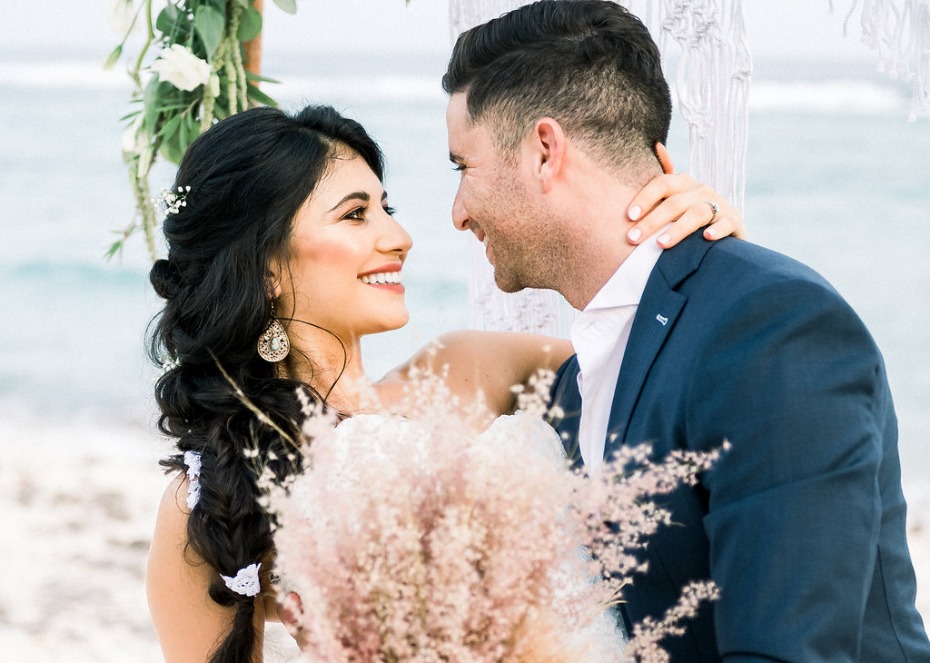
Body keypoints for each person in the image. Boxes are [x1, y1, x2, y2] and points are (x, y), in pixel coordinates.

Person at [144, 103, 744, 663]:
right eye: (356, 214)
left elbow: (669, 369)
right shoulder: (217, 495)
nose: (399, 237)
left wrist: (705, 250)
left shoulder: (467, 368)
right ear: (267, 266)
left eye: (388, 208)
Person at [442, 1, 930, 661]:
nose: (458, 212)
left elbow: (785, 651)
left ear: (543, 151)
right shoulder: (573, 383)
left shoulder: (774, 329)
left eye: (463, 167)